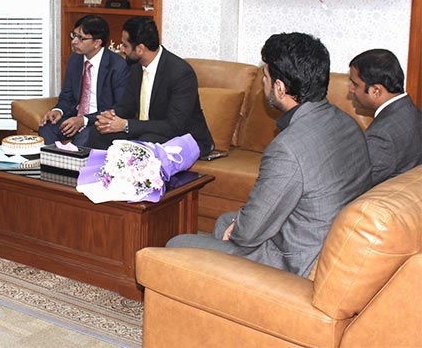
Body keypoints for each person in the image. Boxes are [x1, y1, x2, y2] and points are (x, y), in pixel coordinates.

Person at [167, 32, 371, 278]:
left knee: (176, 246)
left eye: (265, 76)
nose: (263, 83)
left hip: (294, 261)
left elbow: (250, 232)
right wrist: (239, 225)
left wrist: (241, 227)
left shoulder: (288, 147)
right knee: (225, 223)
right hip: (325, 239)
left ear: (280, 87)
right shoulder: (347, 123)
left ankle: (225, 281)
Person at [88, 16, 213, 155]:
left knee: (145, 143)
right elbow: (126, 108)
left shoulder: (181, 73)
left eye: (125, 45)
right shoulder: (136, 67)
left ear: (140, 48)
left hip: (183, 137)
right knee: (99, 133)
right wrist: (110, 118)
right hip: (147, 132)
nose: (122, 49)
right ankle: (103, 176)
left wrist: (125, 125)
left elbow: (174, 125)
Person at [39, 15, 129, 147]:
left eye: (81, 38)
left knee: (84, 139)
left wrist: (84, 120)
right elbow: (67, 96)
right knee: (47, 129)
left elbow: (120, 108)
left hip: (99, 121)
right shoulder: (75, 59)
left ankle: (74, 167)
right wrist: (58, 110)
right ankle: (52, 165)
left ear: (97, 43)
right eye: (74, 35)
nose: (74, 41)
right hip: (74, 115)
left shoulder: (117, 66)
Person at [348, 48, 422, 186]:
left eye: (355, 84)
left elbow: (354, 185)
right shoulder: (412, 111)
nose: (350, 89)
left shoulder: (382, 136)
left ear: (376, 90)